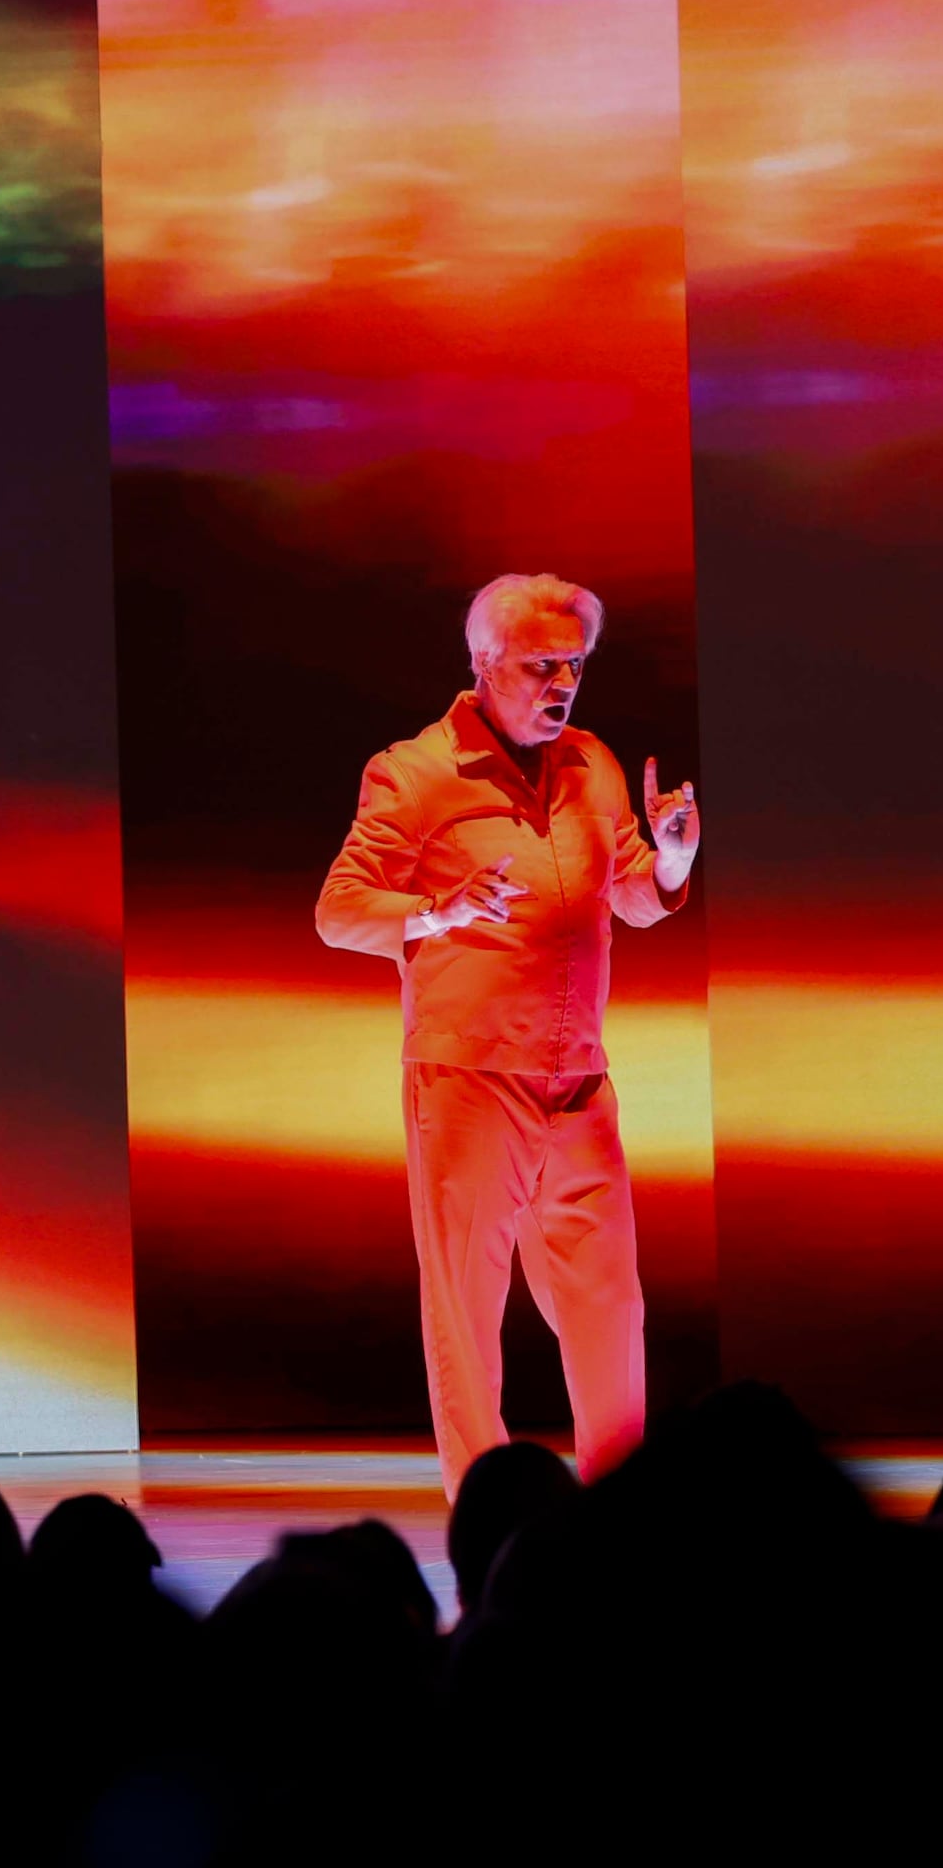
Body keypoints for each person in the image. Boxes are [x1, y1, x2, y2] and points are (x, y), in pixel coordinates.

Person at [318, 573, 696, 1495]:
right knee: (466, 1314)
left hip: (576, 1081)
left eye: (574, 664)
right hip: (469, 1077)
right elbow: (338, 910)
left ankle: (619, 1508)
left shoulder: (593, 765)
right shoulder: (414, 771)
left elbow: (632, 893)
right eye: (540, 665)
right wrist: (433, 912)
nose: (560, 683)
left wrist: (674, 855)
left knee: (610, 1309)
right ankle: (484, 1516)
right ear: (485, 662)